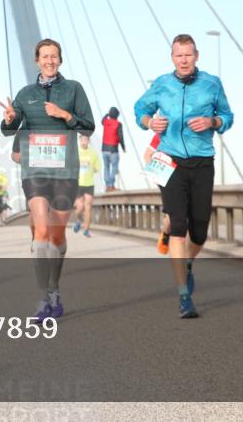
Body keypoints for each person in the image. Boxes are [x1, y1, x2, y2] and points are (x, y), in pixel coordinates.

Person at [133, 33, 233, 319]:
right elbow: (140, 110)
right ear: (172, 58)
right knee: (178, 225)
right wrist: (149, 122)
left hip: (202, 162)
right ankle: (184, 297)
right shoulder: (162, 84)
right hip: (170, 160)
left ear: (196, 56)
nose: (184, 60)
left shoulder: (212, 83)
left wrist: (213, 121)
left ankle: (187, 263)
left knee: (199, 231)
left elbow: (228, 117)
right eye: (179, 55)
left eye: (188, 55)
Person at [0, 38, 94, 322]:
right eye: (44, 56)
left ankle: (54, 290)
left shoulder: (73, 89)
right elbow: (10, 130)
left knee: (57, 236)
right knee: (41, 230)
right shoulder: (26, 94)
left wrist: (65, 115)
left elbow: (89, 126)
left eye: (54, 56)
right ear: (37, 61)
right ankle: (43, 298)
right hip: (35, 171)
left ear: (60, 60)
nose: (49, 61)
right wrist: (9, 118)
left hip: (65, 172)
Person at [73, 133, 101, 237]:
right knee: (80, 207)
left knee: (88, 207)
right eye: (82, 139)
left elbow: (98, 167)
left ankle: (86, 230)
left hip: (89, 183)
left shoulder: (93, 153)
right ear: (80, 140)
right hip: (78, 183)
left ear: (88, 141)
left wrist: (93, 168)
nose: (84, 142)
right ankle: (78, 220)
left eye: (86, 140)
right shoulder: (75, 153)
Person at [100, 106, 126, 191]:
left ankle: (108, 185)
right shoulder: (118, 124)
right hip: (113, 149)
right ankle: (111, 185)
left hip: (104, 149)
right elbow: (120, 137)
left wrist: (107, 114)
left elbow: (102, 120)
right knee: (114, 167)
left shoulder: (105, 122)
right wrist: (123, 147)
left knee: (106, 167)